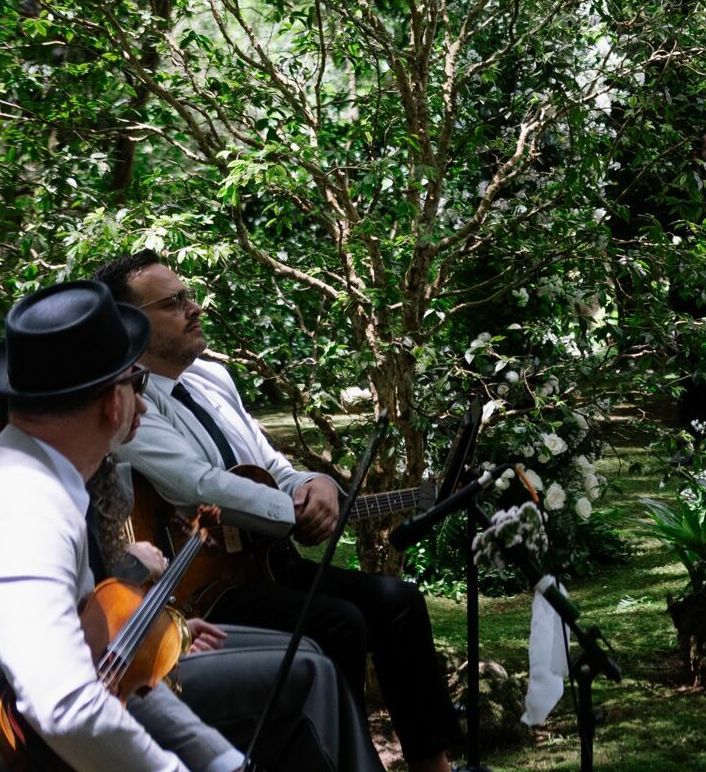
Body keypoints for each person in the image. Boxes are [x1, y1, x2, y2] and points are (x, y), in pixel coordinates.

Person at [97, 252, 462, 772]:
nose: (194, 308)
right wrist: (294, 511)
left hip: (269, 562)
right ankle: (349, 763)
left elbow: (266, 462)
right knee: (339, 623)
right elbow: (201, 487)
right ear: (130, 324)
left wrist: (316, 484)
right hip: (211, 588)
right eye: (174, 303)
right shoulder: (132, 404)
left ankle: (434, 766)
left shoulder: (213, 379)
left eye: (188, 294)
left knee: (397, 602)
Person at [0, 281, 185, 771]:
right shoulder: (18, 509)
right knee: (298, 678)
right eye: (136, 384)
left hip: (20, 747)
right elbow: (65, 708)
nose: (142, 405)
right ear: (111, 403)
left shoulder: (30, 481)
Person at [86, 459, 383, 772]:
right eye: (131, 404)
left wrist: (174, 629)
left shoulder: (90, 479)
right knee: (310, 671)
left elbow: (108, 613)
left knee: (311, 650)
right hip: (125, 679)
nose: (141, 407)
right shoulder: (52, 497)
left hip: (143, 646)